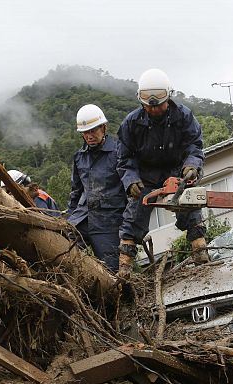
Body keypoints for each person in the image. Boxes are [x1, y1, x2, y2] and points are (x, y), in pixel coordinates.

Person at [116, 68, 208, 276]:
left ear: (168, 97)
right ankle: (124, 270)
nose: (154, 110)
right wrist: (131, 180)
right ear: (142, 102)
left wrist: (192, 165)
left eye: (158, 105)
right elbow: (124, 157)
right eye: (149, 106)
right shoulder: (131, 123)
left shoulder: (183, 116)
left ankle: (201, 255)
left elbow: (195, 144)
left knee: (191, 207)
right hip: (145, 177)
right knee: (133, 218)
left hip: (177, 172)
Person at [66, 104, 127, 272]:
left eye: (93, 131)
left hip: (109, 223)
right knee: (64, 254)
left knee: (112, 272)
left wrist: (127, 226)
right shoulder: (79, 157)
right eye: (85, 132)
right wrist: (68, 219)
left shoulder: (119, 153)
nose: (89, 136)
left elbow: (129, 190)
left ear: (104, 127)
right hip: (82, 219)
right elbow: (76, 192)